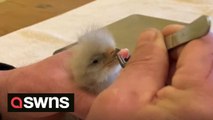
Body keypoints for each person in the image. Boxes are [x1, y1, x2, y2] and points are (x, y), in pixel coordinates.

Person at [0, 24, 213, 120]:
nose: (117, 54)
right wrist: (12, 94)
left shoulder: (63, 99)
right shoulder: (71, 102)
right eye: (97, 60)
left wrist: (8, 89)